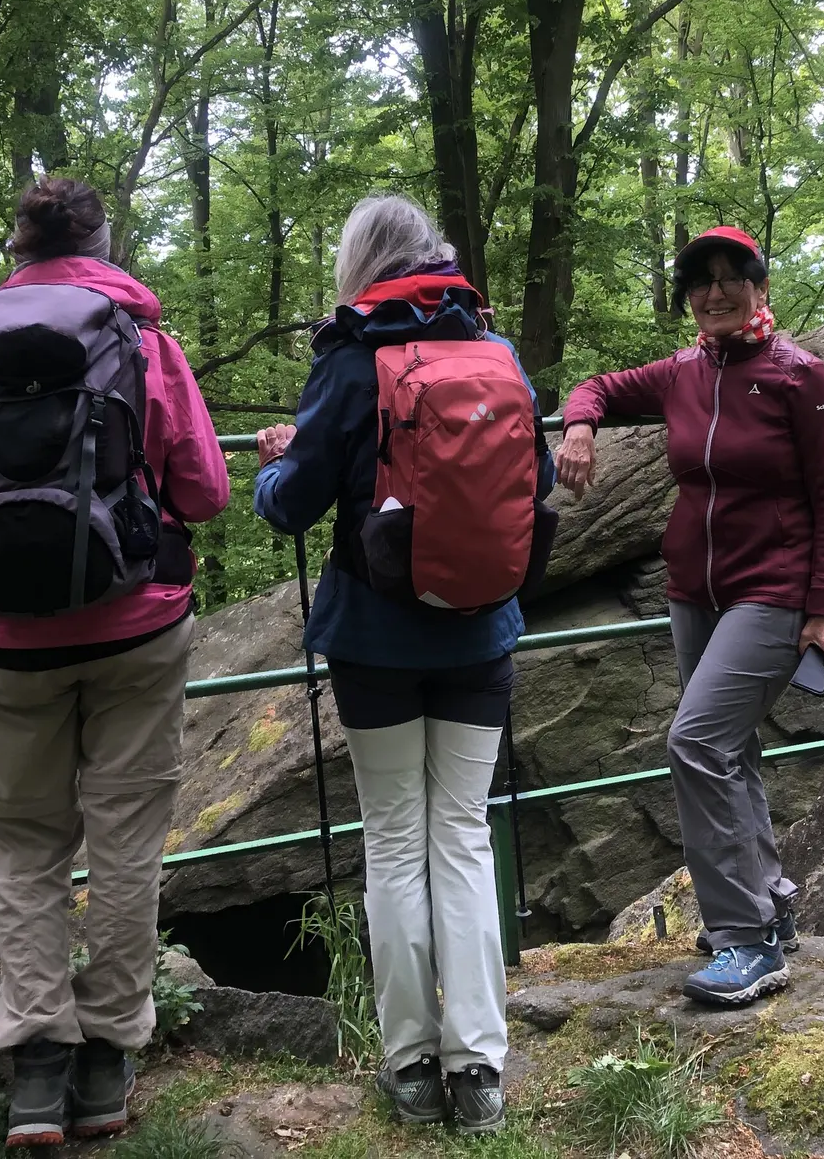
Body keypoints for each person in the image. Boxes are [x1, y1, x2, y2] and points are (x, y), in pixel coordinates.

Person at [0, 177, 229, 1147]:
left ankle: (35, 1069)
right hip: (134, 625)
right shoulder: (143, 337)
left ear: (17, 252)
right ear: (104, 244)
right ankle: (108, 1062)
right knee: (125, 838)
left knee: (23, 844)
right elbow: (204, 489)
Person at [253, 195, 554, 1137]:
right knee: (461, 838)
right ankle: (481, 1071)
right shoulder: (495, 352)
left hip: (376, 638)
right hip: (479, 632)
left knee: (393, 840)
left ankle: (413, 1066)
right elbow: (533, 484)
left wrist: (277, 464)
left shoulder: (352, 356)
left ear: (361, 264)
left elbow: (291, 505)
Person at [556, 226, 824, 1007]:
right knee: (730, 748)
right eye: (700, 282)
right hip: (694, 589)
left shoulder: (801, 376)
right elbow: (598, 385)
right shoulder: (684, 371)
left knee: (695, 742)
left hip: (773, 590)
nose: (714, 293)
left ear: (759, 286)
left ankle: (746, 941)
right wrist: (581, 424)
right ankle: (772, 899)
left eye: (730, 278)